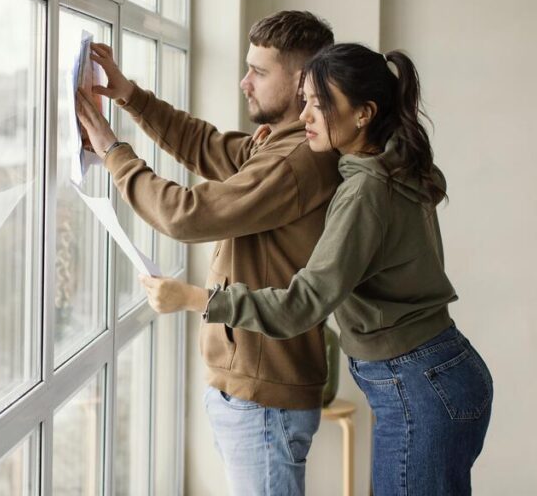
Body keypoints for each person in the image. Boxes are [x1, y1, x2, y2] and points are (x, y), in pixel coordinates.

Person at [139, 43, 493, 495]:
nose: (304, 115)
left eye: (320, 104)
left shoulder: (366, 190)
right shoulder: (393, 158)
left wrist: (195, 298)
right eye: (305, 99)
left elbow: (301, 305)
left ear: (363, 113)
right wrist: (134, 98)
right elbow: (222, 153)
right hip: (437, 374)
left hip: (418, 389)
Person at [75, 11, 338, 495]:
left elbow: (185, 215)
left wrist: (112, 150)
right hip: (253, 390)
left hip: (264, 396)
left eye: (259, 71)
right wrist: (131, 96)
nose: (245, 82)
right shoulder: (277, 142)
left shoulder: (294, 161)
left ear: (302, 81)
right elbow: (207, 146)